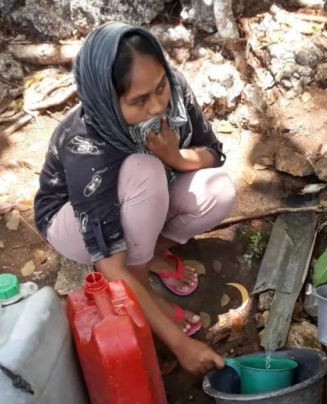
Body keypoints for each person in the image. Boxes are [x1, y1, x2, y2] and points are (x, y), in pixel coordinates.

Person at [33, 22, 235, 375]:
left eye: (160, 88)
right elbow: (107, 262)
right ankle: (144, 293)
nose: (158, 106)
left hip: (143, 196)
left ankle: (151, 255)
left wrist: (176, 157)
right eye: (139, 100)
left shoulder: (174, 90)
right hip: (75, 226)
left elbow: (213, 153)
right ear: (107, 100)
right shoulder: (87, 143)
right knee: (144, 169)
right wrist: (178, 342)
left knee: (219, 190)